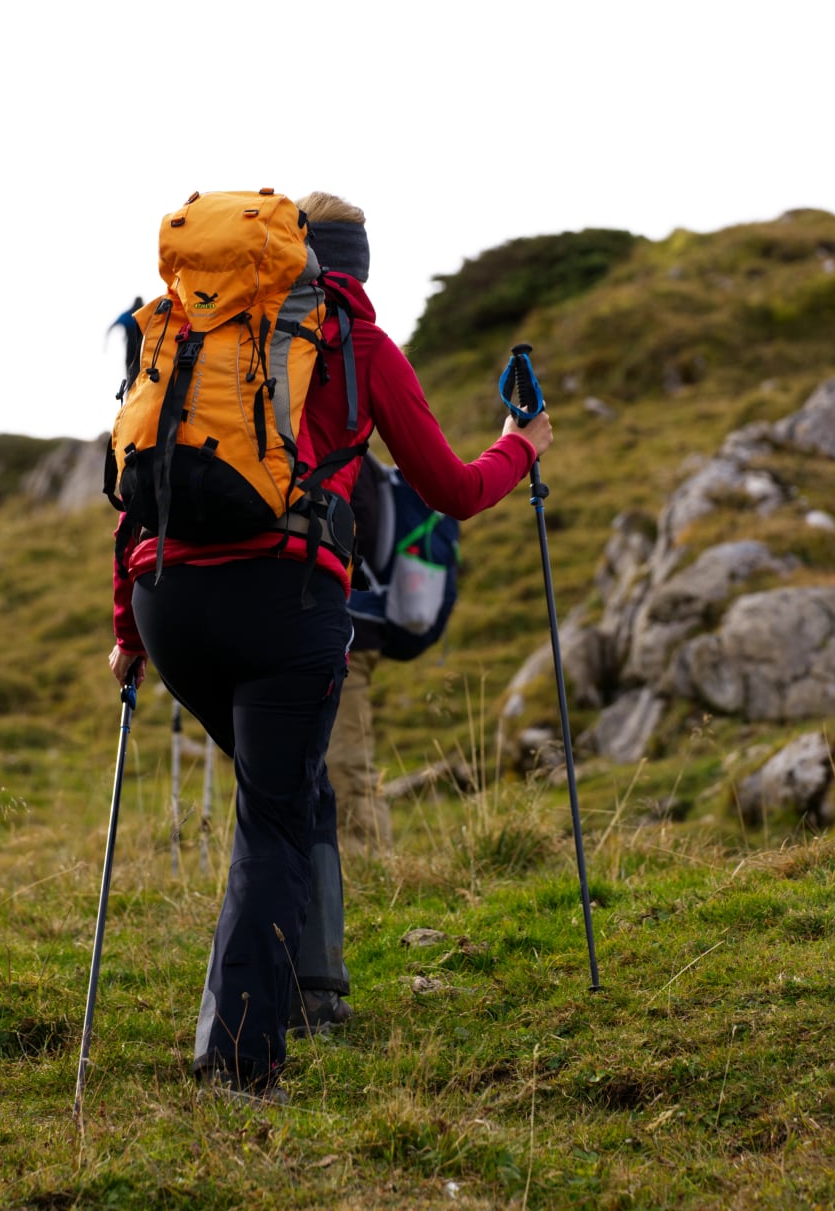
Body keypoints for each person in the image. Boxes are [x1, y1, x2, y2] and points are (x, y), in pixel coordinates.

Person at [109, 190, 554, 1100]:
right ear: (358, 266)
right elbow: (454, 491)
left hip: (168, 602)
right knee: (273, 815)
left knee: (292, 788)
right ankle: (236, 1060)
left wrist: (128, 633)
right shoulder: (356, 341)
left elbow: (136, 490)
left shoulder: (192, 331)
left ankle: (314, 985)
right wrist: (523, 446)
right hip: (285, 598)